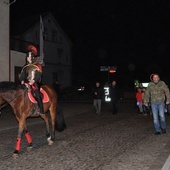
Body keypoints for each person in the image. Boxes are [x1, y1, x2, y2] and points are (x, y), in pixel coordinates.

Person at [20, 45, 44, 115]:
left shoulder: (37, 65)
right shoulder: (25, 66)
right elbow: (23, 75)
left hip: (34, 83)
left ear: (32, 57)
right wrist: (22, 80)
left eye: (29, 57)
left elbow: (39, 75)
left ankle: (41, 109)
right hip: (26, 83)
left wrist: (33, 81)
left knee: (36, 93)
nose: (28, 58)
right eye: (27, 57)